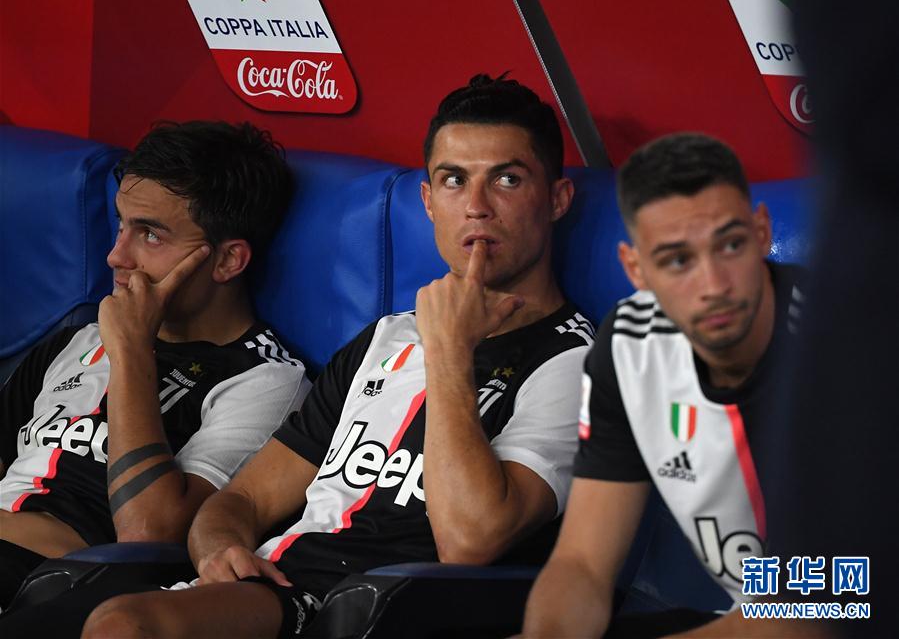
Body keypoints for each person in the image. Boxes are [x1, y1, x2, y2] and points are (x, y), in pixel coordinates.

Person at [60, 73, 595, 638]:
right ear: (429, 201)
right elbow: (243, 499)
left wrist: (448, 352)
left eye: (508, 179)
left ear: (556, 200)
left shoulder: (576, 362)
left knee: (124, 626)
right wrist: (218, 548)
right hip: (281, 587)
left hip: (389, 609)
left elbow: (470, 541)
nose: (477, 207)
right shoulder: (386, 338)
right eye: (454, 180)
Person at [0, 121, 310, 609]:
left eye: (150, 234)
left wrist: (131, 352)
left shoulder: (264, 380)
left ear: (228, 261)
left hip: (56, 585)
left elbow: (147, 536)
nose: (115, 256)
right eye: (121, 225)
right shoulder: (77, 340)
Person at [520, 133, 804, 638]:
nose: (713, 285)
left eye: (730, 245)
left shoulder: (844, 337)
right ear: (636, 269)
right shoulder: (631, 346)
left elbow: (836, 601)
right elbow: (583, 563)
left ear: (761, 233)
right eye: (677, 260)